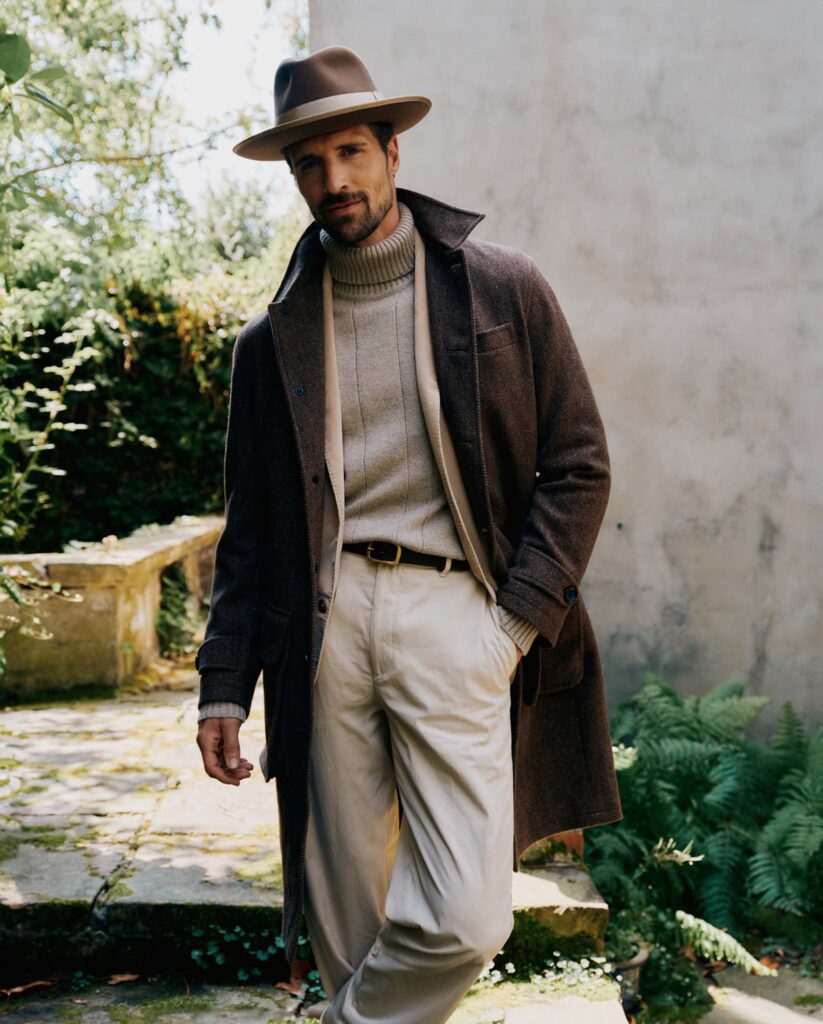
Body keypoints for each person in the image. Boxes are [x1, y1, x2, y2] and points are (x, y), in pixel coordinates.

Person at [195, 45, 622, 1024]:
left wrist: (511, 627)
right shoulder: (270, 341)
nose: (333, 180)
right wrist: (223, 684)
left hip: (459, 615)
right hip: (324, 628)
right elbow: (249, 534)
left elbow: (578, 465)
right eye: (309, 163)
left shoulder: (502, 290)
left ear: (392, 152)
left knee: (467, 917)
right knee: (348, 912)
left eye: (351, 151)